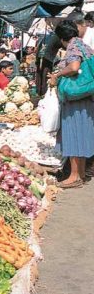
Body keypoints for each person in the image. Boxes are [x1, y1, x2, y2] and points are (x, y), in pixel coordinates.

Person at [48, 20, 94, 188]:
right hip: (86, 97)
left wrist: (57, 75)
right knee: (82, 135)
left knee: (73, 134)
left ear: (61, 38)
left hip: (76, 100)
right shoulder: (83, 45)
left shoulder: (73, 47)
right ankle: (80, 173)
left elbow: (74, 67)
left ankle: (74, 176)